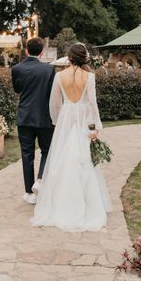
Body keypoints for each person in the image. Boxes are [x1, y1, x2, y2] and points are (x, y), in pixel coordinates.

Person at [31, 43, 112, 232]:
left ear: (70, 57)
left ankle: (61, 203)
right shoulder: (89, 77)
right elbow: (92, 105)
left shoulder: (60, 76)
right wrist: (94, 128)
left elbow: (54, 104)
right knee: (84, 160)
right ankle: (84, 204)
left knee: (62, 160)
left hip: (66, 119)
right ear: (84, 58)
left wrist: (59, 123)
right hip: (83, 118)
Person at [11, 37, 55, 205]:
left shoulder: (17, 68)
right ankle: (40, 179)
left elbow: (17, 89)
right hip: (44, 117)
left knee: (27, 154)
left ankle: (29, 191)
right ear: (42, 51)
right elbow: (51, 93)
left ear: (26, 50)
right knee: (46, 151)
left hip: (25, 117)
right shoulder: (49, 70)